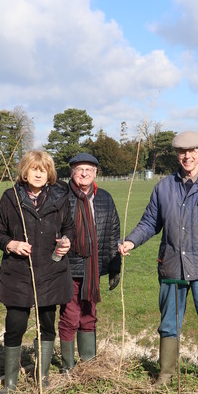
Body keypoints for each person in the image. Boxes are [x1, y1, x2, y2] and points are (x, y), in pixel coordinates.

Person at [119, 131, 198, 394]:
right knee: (169, 324)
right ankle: (165, 375)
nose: (187, 156)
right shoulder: (163, 187)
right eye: (182, 152)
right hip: (172, 267)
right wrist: (131, 241)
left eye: (192, 150)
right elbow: (150, 223)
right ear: (177, 155)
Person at [0, 150, 74, 392]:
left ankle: (42, 377)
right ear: (24, 172)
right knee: (15, 325)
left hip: (51, 272)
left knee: (47, 325)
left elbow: (69, 226)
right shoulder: (10, 198)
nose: (38, 174)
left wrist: (67, 240)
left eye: (43, 169)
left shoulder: (60, 196)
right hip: (18, 274)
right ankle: (11, 382)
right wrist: (11, 244)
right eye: (34, 169)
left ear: (49, 174)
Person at [58, 152, 121, 371]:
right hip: (67, 268)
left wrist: (115, 265)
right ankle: (68, 368)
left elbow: (113, 232)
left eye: (89, 170)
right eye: (79, 169)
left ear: (95, 172)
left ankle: (88, 366)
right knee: (70, 316)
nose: (84, 174)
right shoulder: (61, 196)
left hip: (92, 269)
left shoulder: (104, 198)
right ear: (72, 172)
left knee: (89, 315)